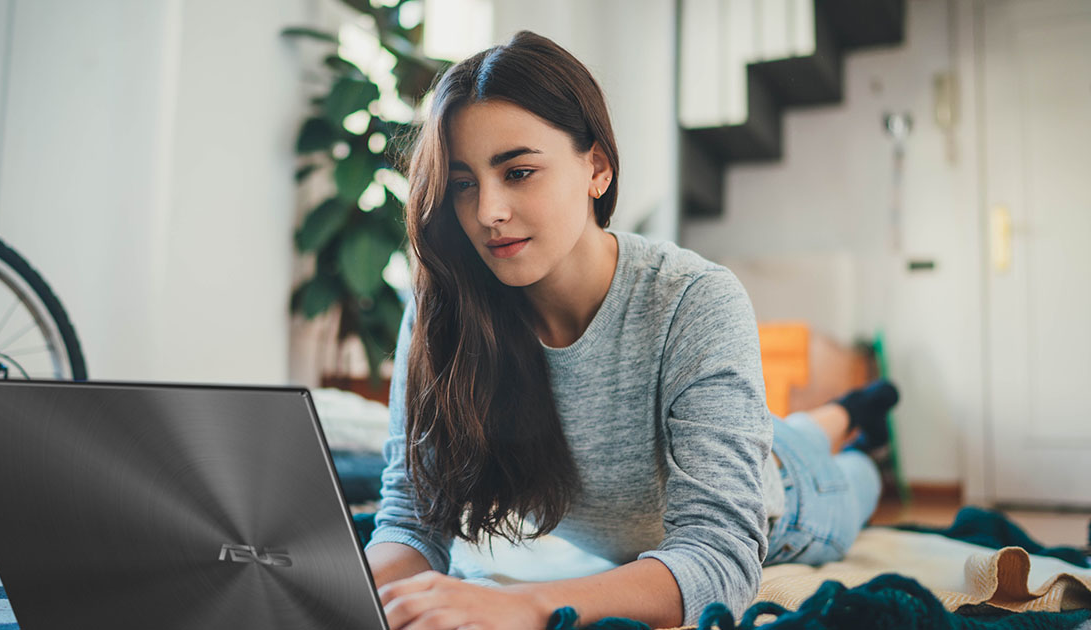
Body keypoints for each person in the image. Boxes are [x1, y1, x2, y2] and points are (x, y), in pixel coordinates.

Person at [362, 30, 898, 630]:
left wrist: (528, 606)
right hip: (731, 456)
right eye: (464, 183)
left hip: (798, 499)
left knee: (852, 473)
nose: (488, 212)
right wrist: (351, 595)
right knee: (778, 432)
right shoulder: (447, 306)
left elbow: (720, 557)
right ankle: (836, 416)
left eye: (518, 172)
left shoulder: (693, 299)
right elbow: (410, 516)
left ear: (596, 167)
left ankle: (855, 420)